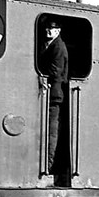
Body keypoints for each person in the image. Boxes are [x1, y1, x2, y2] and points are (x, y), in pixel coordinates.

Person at [37, 20, 69, 182]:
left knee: (51, 131)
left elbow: (55, 70)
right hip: (48, 93)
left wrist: (44, 79)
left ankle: (49, 166)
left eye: (53, 28)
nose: (49, 31)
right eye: (48, 28)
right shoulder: (46, 44)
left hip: (54, 94)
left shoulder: (58, 47)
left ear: (58, 31)